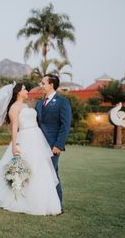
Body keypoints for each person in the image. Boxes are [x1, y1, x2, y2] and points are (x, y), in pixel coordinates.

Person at [0, 83, 62, 215]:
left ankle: (43, 200)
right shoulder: (13, 108)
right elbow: (14, 128)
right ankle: (22, 200)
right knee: (27, 168)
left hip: (37, 138)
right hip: (25, 138)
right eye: (24, 89)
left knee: (39, 169)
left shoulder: (25, 105)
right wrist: (15, 145)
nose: (27, 91)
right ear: (18, 92)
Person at [35, 74, 72, 209]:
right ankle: (42, 203)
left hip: (53, 145)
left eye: (43, 83)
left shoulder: (62, 102)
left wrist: (59, 145)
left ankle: (57, 205)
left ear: (51, 85)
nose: (41, 85)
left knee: (52, 173)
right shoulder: (39, 103)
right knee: (39, 173)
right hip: (37, 144)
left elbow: (65, 125)